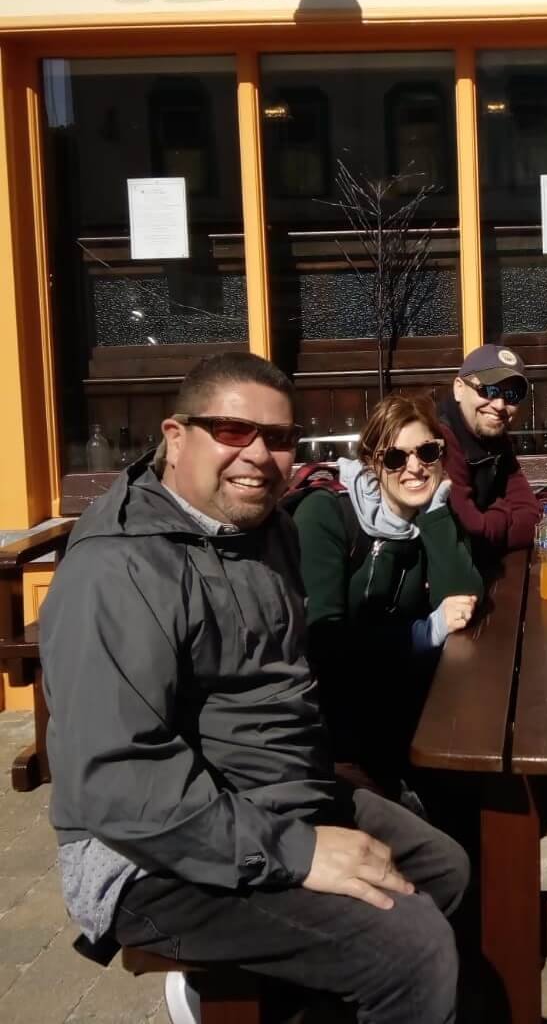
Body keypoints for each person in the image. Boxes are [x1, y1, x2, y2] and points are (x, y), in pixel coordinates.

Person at [41, 353, 468, 1023]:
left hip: (274, 797)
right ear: (175, 437)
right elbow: (119, 782)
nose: (259, 455)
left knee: (443, 867)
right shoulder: (119, 567)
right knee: (411, 948)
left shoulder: (270, 530)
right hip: (147, 852)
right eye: (233, 431)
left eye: (277, 437)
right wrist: (296, 851)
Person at [294, 391, 484, 789]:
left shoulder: (431, 513)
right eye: (396, 458)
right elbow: (323, 644)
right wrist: (422, 634)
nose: (414, 468)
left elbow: (464, 599)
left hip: (405, 708)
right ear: (371, 463)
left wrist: (434, 513)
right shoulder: (327, 514)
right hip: (335, 731)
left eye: (427, 453)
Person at [438, 343, 540, 572]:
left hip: (481, 570)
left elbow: (533, 518)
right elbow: (470, 531)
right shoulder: (438, 440)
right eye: (488, 390)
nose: (499, 405)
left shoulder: (496, 439)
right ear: (459, 388)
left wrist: (488, 521)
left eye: (512, 395)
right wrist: (503, 509)